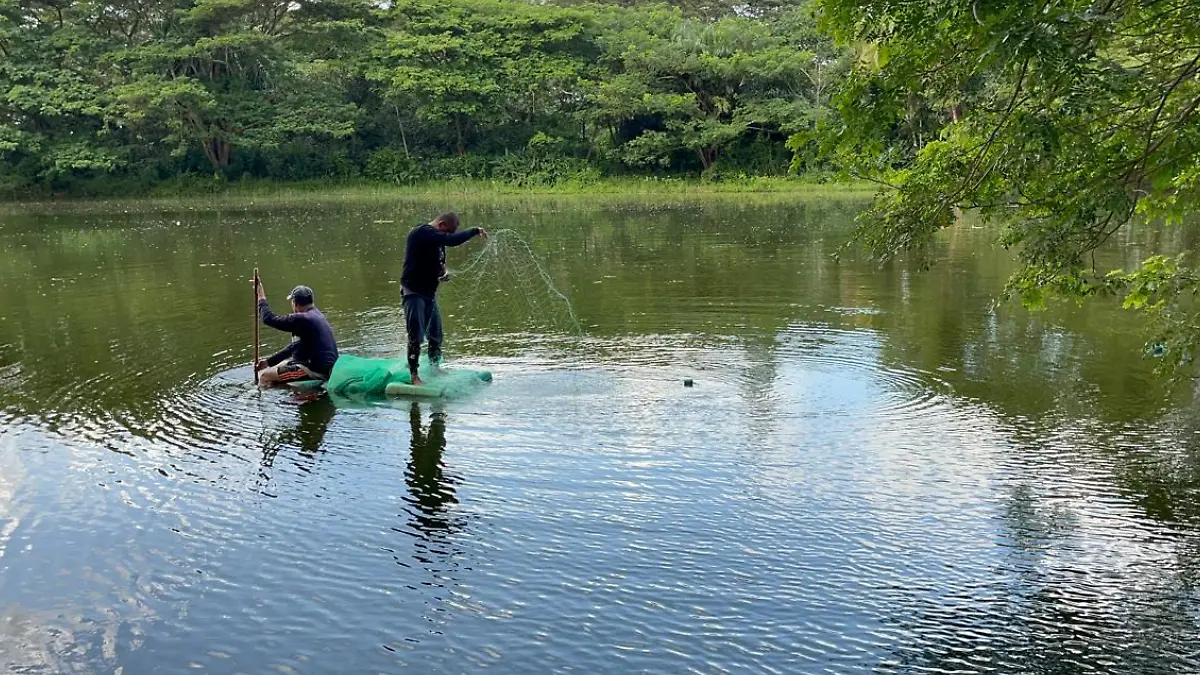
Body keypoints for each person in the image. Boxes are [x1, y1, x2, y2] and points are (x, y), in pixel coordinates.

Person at [401, 212, 488, 385]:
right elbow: (452, 241)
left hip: (429, 293)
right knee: (416, 335)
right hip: (413, 291)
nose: (446, 236)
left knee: (435, 334)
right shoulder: (421, 232)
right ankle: (414, 376)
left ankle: (434, 368)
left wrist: (443, 273)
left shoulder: (437, 242)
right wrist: (474, 231)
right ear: (441, 225)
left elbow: (440, 264)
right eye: (447, 232)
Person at [254, 279, 340, 387]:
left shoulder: (300, 318)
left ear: (294, 303)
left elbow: (268, 319)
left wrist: (261, 296)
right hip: (326, 366)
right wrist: (268, 362)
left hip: (316, 370)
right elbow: (295, 346)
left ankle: (258, 399)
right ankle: (282, 390)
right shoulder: (316, 315)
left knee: (264, 376)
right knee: (280, 365)